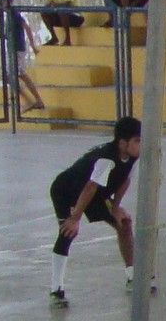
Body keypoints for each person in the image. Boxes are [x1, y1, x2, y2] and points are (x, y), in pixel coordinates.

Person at [47, 116, 143, 308]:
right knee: (68, 232)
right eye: (137, 140)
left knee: (124, 224)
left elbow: (125, 180)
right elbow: (90, 187)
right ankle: (56, 289)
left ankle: (132, 276)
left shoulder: (133, 157)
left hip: (96, 194)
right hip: (66, 191)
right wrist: (75, 218)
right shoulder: (106, 159)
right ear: (122, 142)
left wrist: (116, 207)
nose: (140, 145)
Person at [0, 0, 48, 113]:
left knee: (17, 75)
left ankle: (33, 100)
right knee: (13, 76)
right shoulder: (9, 15)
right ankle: (31, 100)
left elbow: (27, 28)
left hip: (17, 49)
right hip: (13, 49)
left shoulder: (14, 14)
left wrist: (33, 45)